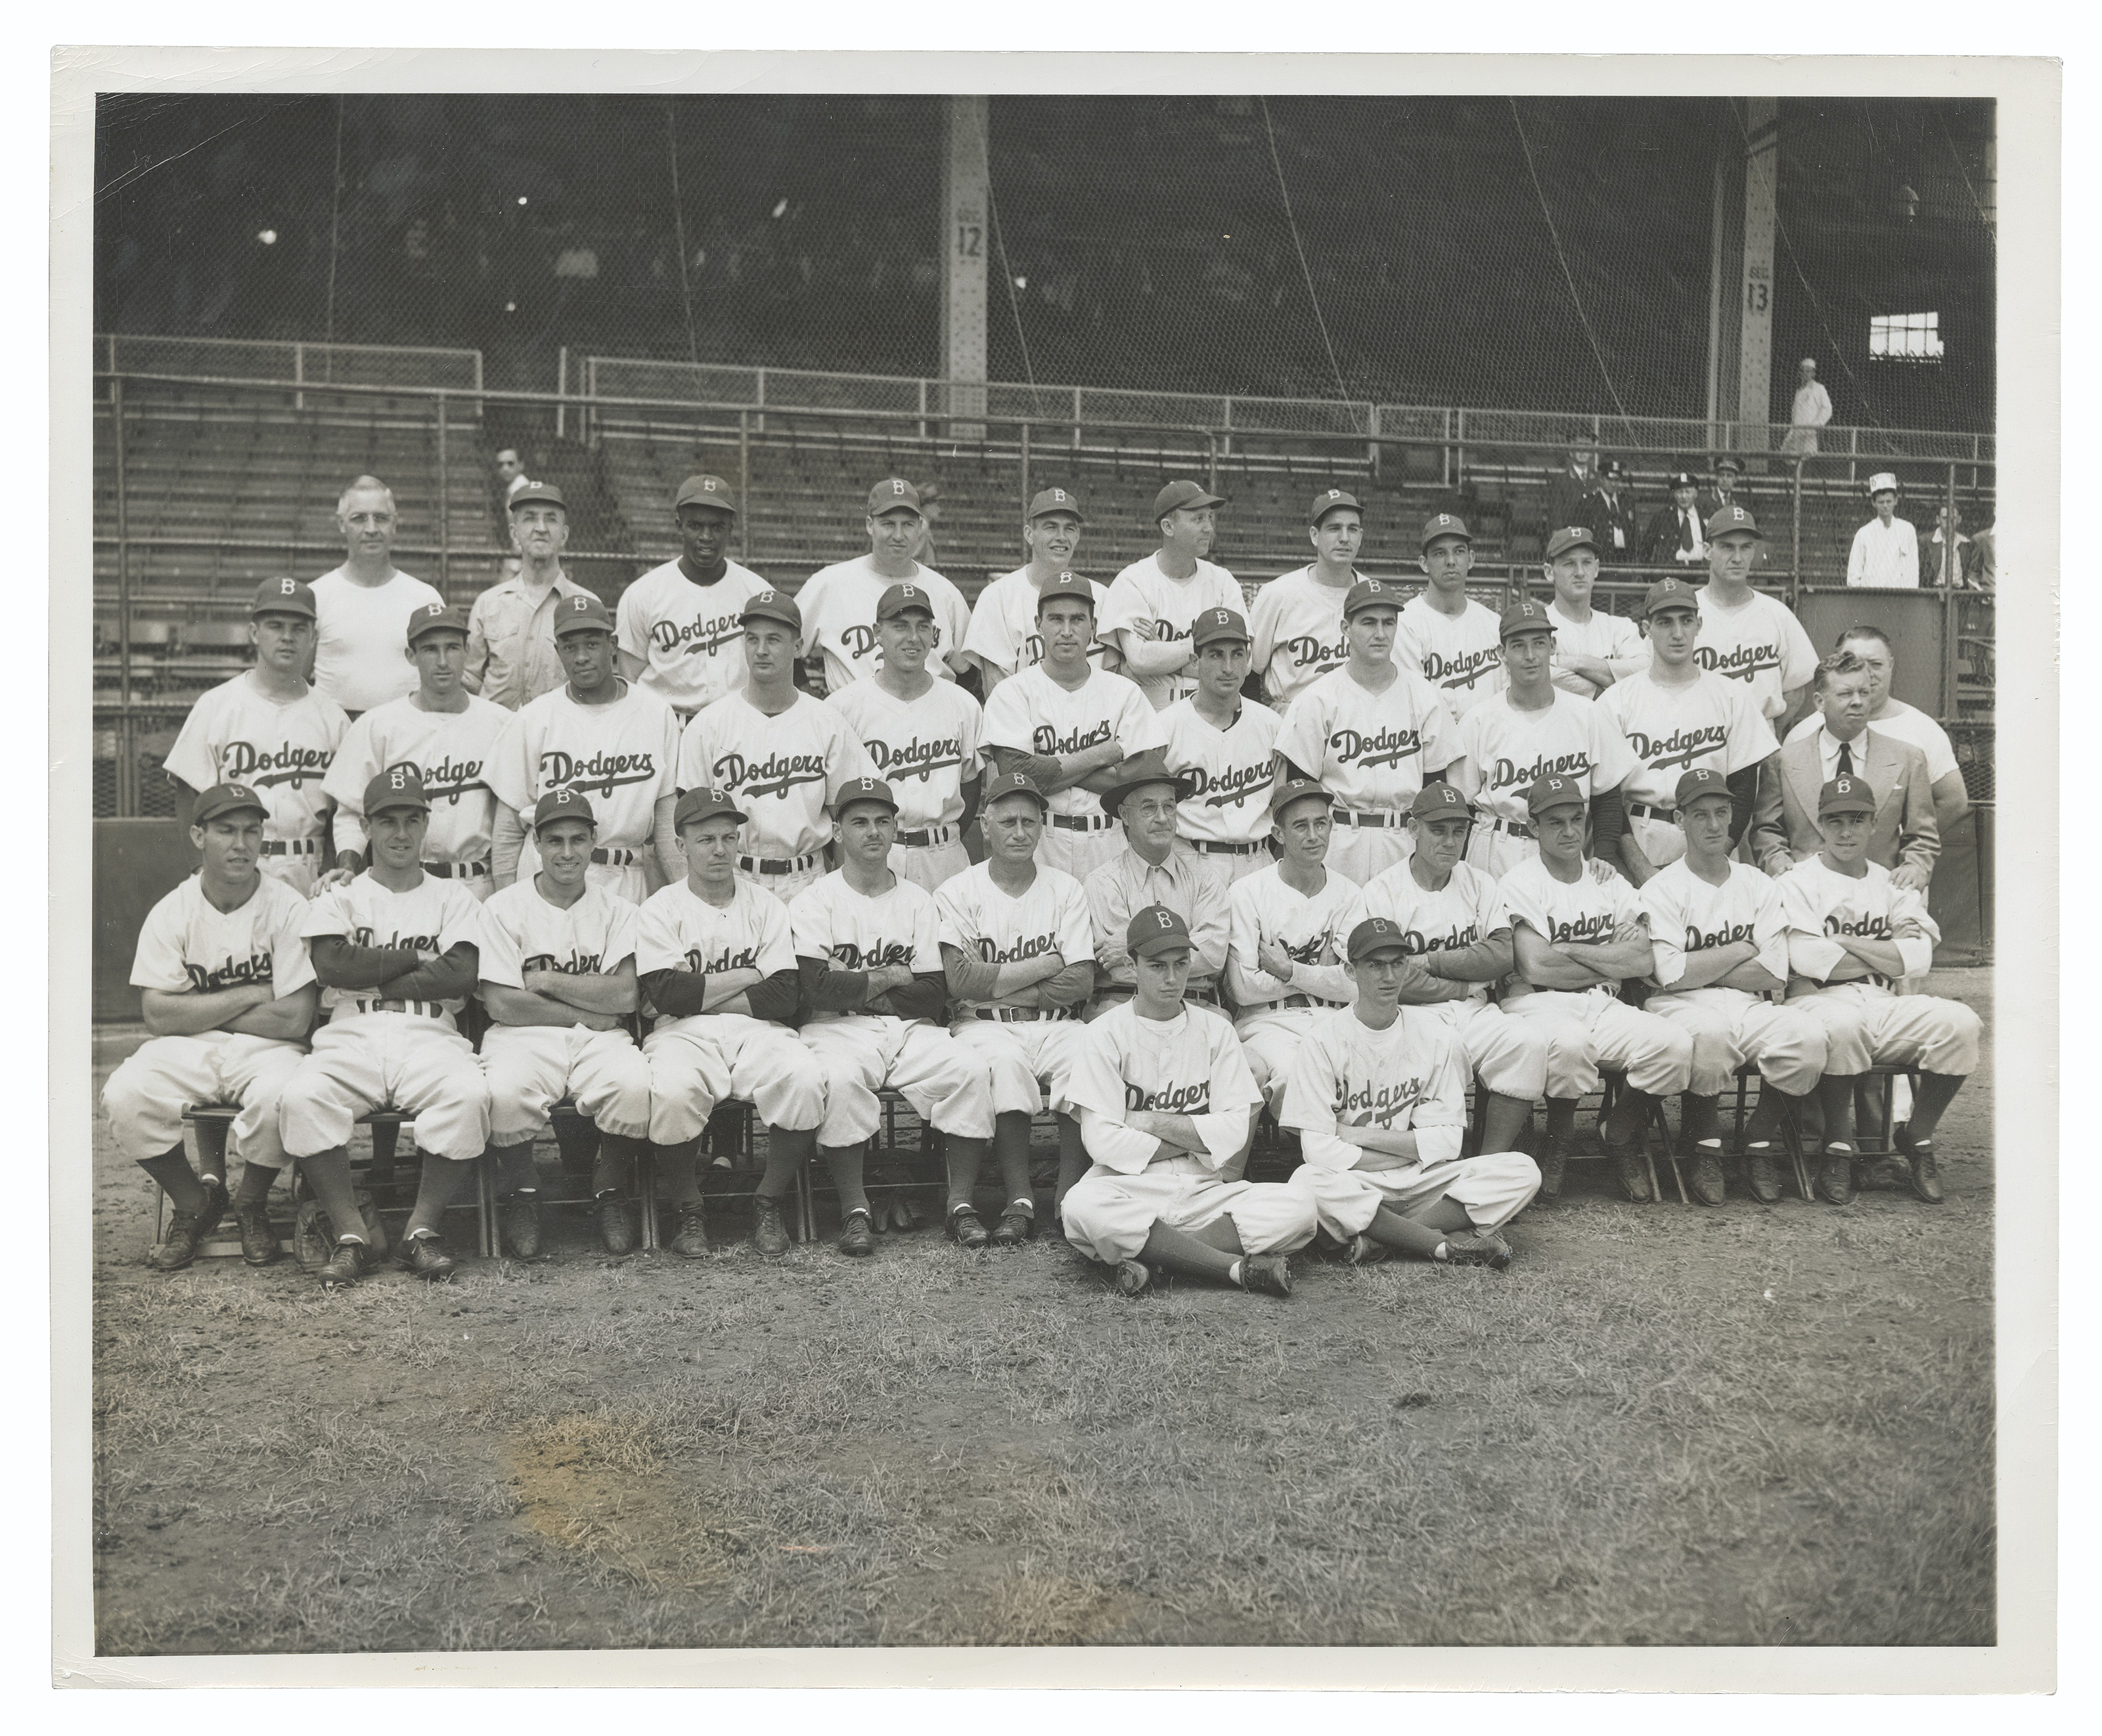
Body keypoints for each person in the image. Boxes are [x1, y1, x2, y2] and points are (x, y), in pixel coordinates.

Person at [277, 768, 494, 1285]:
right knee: (302, 1098)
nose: (400, 833)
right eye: (387, 821)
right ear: (366, 827)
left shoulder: (454, 896)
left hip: (430, 1033)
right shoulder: (341, 896)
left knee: (469, 1095)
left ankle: (421, 1231)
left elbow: (460, 974)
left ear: (426, 826)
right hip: (353, 1032)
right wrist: (418, 957)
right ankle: (353, 1235)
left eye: (411, 820)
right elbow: (333, 965)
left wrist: (369, 968)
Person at [102, 782, 320, 1271]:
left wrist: (196, 1004)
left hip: (267, 1048)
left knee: (288, 1094)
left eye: (251, 831)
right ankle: (193, 1201)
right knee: (125, 1095)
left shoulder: (288, 907)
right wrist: (250, 993)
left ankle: (251, 1202)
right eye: (226, 830)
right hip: (188, 1046)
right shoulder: (172, 910)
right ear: (199, 836)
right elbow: (158, 1015)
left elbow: (294, 1017)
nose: (241, 844)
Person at [1059, 906, 1316, 1298]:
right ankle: (1231, 1268)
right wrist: (1200, 1140)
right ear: (1131, 966)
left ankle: (1158, 1257)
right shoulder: (1103, 1034)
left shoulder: (1217, 1030)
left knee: (1300, 1205)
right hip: (1128, 1188)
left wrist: (1149, 1122)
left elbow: (1234, 1133)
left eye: (1181, 964)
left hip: (1205, 1191)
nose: (1172, 978)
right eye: (1157, 966)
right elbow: (1103, 1143)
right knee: (1081, 1205)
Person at [789, 778, 996, 1256]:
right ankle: (854, 1209)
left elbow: (932, 994)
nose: (873, 832)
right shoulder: (815, 899)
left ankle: (961, 1204)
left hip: (909, 1030)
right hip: (834, 1028)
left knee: (970, 1069)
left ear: (895, 830)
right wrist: (894, 976)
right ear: (837, 831)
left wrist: (856, 984)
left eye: (883, 821)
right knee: (841, 1079)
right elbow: (815, 988)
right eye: (859, 822)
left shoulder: (918, 900)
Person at [634, 785, 828, 1260]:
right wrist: (749, 974)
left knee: (804, 1077)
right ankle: (689, 1208)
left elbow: (784, 995)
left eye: (728, 837)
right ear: (681, 845)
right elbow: (666, 994)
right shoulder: (660, 908)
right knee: (672, 1090)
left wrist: (697, 993)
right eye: (706, 839)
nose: (719, 849)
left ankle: (768, 1200)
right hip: (680, 1034)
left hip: (758, 1032)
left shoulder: (766, 905)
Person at [1282, 916, 1541, 1268]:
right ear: (1350, 971)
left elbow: (1448, 1143)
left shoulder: (1436, 1035)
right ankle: (1439, 1243)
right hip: (1356, 1182)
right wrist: (1414, 1150)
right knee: (1307, 1181)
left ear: (1407, 967)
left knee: (1522, 1170)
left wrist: (1356, 1135)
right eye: (1375, 965)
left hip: (1422, 1182)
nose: (1389, 976)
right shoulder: (1321, 1042)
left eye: (1397, 963)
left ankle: (1382, 1239)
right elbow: (1317, 1151)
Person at [1777, 774, 1981, 1205]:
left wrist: (1843, 941)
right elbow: (1810, 960)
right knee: (1845, 1023)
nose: (1846, 832)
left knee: (1961, 1024)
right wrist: (1888, 949)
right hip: (1817, 1000)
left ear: (1874, 823)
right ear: (1820, 824)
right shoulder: (1796, 881)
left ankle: (1917, 1136)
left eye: (1857, 820)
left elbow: (1919, 956)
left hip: (1884, 1002)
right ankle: (1838, 1145)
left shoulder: (1892, 882)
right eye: (1835, 821)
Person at [1497, 773, 1695, 1203]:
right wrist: (1607, 955)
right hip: (1538, 1005)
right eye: (1556, 822)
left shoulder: (1608, 879)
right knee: (1570, 1043)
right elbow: (1536, 965)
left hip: (1602, 1005)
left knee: (1675, 1046)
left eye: (1576, 819)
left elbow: (1642, 959)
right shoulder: (1519, 881)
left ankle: (1617, 1132)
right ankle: (1561, 1135)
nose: (1570, 831)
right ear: (1533, 827)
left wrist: (1568, 948)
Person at [475, 789, 654, 1258]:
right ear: (536, 843)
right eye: (555, 840)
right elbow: (502, 1004)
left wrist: (547, 980)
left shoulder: (620, 910)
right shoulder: (502, 908)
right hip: (523, 1036)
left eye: (578, 839)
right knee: (504, 1093)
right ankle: (524, 1191)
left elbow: (625, 995)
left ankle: (609, 1188)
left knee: (634, 1086)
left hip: (600, 1038)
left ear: (594, 841)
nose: (568, 852)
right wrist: (585, 1010)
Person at [1638, 768, 1827, 1206]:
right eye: (1700, 815)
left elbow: (1774, 972)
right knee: (1711, 1032)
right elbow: (1672, 975)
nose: (1714, 824)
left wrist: (1704, 964)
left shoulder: (1758, 883)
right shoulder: (1660, 888)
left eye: (1721, 812)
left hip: (1749, 1004)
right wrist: (1742, 949)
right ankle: (1705, 1145)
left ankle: (1757, 1139)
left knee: (1809, 1037)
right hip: (1680, 1006)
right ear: (1679, 819)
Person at [1344, 784, 1550, 1167]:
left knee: (1527, 1043)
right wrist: (1464, 983)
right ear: (1413, 829)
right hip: (1412, 1015)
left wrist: (1430, 961)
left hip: (1475, 1011)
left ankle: (1486, 1167)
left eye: (1459, 831)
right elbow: (1391, 977)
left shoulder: (1479, 883)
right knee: (1446, 1048)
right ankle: (1437, 1165)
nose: (1450, 841)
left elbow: (1501, 954)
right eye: (1438, 830)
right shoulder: (1383, 891)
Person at [932, 772, 1099, 1239]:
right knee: (1005, 1064)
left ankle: (1068, 1196)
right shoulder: (957, 891)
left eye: (1030, 821)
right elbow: (960, 981)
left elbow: (1081, 980)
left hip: (1057, 1023)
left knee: (1087, 1053)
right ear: (985, 826)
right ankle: (1020, 1197)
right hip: (983, 1025)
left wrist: (998, 982)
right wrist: (1047, 963)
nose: (1020, 832)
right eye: (1008, 822)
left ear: (1042, 826)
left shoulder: (1066, 888)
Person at [678, 590, 877, 902]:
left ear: (797, 647)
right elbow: (690, 823)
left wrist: (844, 895)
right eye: (752, 639)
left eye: (773, 640)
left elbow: (848, 816)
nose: (761, 650)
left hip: (807, 881)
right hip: (733, 879)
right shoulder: (709, 724)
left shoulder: (827, 722)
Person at [487, 594, 683, 904]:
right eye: (570, 647)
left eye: (592, 644)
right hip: (546, 881)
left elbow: (666, 823)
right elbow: (507, 832)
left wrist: (685, 898)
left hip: (626, 878)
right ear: (557, 651)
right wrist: (509, 904)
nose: (581, 657)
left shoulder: (656, 713)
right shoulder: (532, 718)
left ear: (613, 645)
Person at [163, 577, 347, 896]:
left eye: (299, 628)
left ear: (313, 638)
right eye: (275, 626)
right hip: (237, 864)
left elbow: (344, 808)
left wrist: (331, 866)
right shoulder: (217, 705)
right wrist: (199, 869)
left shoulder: (333, 717)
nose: (287, 637)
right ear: (253, 633)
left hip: (309, 864)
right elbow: (188, 791)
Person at [1274, 577, 1460, 886]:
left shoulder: (1425, 696)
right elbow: (1299, 790)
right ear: (1345, 628)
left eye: (1389, 622)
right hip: (1337, 839)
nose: (1380, 633)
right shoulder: (1318, 698)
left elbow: (1436, 790)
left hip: (1405, 839)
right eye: (1368, 622)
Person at [980, 575, 1166, 882]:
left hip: (1108, 839)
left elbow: (1139, 785)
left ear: (1093, 626)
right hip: (1041, 841)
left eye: (1077, 619)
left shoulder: (1125, 693)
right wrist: (1103, 754)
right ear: (1039, 624)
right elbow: (1017, 774)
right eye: (1056, 619)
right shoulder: (1012, 692)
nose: (1066, 631)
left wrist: (1044, 767)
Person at [321, 602, 508, 901]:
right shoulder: (378, 725)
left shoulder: (501, 724)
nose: (443, 661)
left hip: (478, 884)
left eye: (452, 648)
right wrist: (347, 866)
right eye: (430, 649)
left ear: (467, 650)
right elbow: (351, 813)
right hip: (401, 885)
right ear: (411, 656)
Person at [1597, 577, 1778, 885]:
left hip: (1712, 836)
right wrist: (1641, 869)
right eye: (1665, 622)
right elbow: (1608, 797)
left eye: (1686, 620)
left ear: (1699, 624)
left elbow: (1744, 789)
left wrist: (1714, 859)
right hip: (1641, 835)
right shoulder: (1617, 701)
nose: (1678, 633)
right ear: (1646, 628)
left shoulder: (1731, 696)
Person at [1450, 597, 1636, 879]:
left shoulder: (1587, 714)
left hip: (1568, 852)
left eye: (1539, 643)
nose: (1530, 655)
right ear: (1502, 653)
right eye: (1518, 645)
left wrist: (1605, 854)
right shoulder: (1478, 720)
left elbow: (1607, 796)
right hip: (1498, 849)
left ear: (1553, 646)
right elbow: (1460, 806)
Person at [824, 583, 985, 893]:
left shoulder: (963, 704)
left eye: (922, 626)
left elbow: (970, 787)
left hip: (945, 855)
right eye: (900, 626)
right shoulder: (843, 708)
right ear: (877, 633)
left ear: (933, 634)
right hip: (877, 855)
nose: (913, 637)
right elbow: (835, 802)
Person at [1224, 780, 1362, 1131]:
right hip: (1269, 1022)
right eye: (1301, 826)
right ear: (1279, 834)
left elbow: (1356, 987)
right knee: (1294, 1074)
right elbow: (1243, 989)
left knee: (1364, 1072)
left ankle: (1338, 1150)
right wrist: (1322, 974)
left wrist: (1288, 970)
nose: (1313, 835)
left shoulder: (1350, 894)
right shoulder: (1247, 892)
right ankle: (1332, 1151)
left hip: (1334, 1018)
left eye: (1321, 823)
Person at [1752, 651, 1939, 887]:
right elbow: (1766, 829)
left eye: (1864, 692)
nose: (1858, 702)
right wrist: (1779, 864)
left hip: (1879, 894)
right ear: (1820, 702)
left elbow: (1922, 836)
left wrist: (1915, 867)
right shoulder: (1784, 761)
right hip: (1805, 893)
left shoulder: (1908, 759)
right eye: (1846, 694)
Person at [1786, 623, 1971, 845]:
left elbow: (1953, 801)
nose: (1866, 674)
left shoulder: (1922, 729)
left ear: (1891, 665)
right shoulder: (1804, 734)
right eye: (1854, 663)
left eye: (1875, 664)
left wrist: (1902, 849)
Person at [1083, 750, 1232, 1016]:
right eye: (1149, 807)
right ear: (1125, 815)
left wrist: (1137, 948)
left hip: (1195, 1007)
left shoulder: (1205, 878)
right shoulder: (1103, 882)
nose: (1162, 818)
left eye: (1169, 806)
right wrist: (1184, 950)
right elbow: (1118, 969)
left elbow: (1214, 955)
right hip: (1123, 1007)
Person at [616, 474, 771, 723]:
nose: (706, 536)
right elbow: (630, 680)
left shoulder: (757, 592)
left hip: (739, 725)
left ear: (731, 528)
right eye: (695, 526)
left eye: (717, 527)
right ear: (679, 526)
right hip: (669, 726)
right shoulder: (643, 594)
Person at [797, 479, 972, 696]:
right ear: (870, 525)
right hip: (852, 713)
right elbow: (785, 647)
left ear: (920, 526)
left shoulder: (947, 593)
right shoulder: (829, 584)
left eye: (908, 525)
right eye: (888, 524)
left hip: (929, 711)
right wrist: (808, 703)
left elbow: (969, 670)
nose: (898, 536)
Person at [1159, 607, 1282, 904]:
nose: (1228, 667)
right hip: (1191, 861)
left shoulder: (1271, 725)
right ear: (1195, 661)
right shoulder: (1166, 726)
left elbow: (1283, 805)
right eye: (1216, 655)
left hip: (1258, 861)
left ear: (1248, 659)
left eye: (1237, 655)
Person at [307, 476, 445, 717]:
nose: (371, 529)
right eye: (359, 518)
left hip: (406, 727)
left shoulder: (424, 598)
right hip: (336, 728)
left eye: (381, 518)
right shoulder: (316, 596)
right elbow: (295, 679)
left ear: (395, 524)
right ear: (341, 524)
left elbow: (441, 675)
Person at [1101, 479, 1243, 711]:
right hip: (1150, 710)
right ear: (1168, 527)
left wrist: (1162, 650)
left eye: (1209, 518)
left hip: (1210, 710)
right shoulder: (1133, 581)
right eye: (1198, 519)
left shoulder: (1223, 582)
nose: (1209, 528)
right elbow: (1140, 660)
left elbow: (1243, 663)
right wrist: (1208, 648)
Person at [962, 487, 1114, 692]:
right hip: (1025, 710)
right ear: (1029, 534)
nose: (1061, 537)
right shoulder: (998, 597)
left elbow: (1114, 680)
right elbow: (998, 691)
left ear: (1077, 536)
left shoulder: (1102, 597)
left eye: (1069, 529)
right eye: (1051, 527)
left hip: (1092, 710)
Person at [464, 481, 594, 711]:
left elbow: (595, 684)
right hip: (498, 727)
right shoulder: (488, 603)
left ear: (564, 535)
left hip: (557, 728)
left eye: (551, 519)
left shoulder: (587, 605)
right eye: (530, 518)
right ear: (514, 533)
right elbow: (470, 679)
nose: (541, 528)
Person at [1689, 502, 1820, 729]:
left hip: (1761, 736)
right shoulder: (1686, 613)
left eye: (1746, 547)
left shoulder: (1777, 613)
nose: (1738, 557)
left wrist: (1763, 737)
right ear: (1707, 551)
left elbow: (1796, 691)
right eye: (1727, 547)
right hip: (1698, 737)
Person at [1247, 488, 1366, 711]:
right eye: (1334, 528)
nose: (1344, 538)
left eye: (1352, 529)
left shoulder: (1372, 595)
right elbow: (1248, 672)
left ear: (1360, 536)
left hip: (1359, 719)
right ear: (1314, 535)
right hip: (1293, 717)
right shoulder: (1278, 594)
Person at [1397, 512, 1503, 717]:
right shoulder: (1407, 624)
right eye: (1440, 553)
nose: (1451, 561)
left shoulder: (1492, 623)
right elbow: (1412, 704)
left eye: (1459, 551)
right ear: (1424, 563)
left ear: (1471, 559)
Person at [1540, 526, 1647, 700]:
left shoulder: (1620, 627)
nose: (1580, 572)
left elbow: (1644, 672)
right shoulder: (1538, 625)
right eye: (1569, 564)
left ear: (1596, 568)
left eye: (1587, 563)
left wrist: (1578, 662)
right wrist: (1603, 694)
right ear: (1549, 572)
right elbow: (1542, 674)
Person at [1846, 474, 1921, 590]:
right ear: (1874, 503)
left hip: (1899, 595)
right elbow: (1854, 573)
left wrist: (1909, 595)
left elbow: (1913, 569)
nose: (1885, 506)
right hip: (1871, 595)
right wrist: (1861, 596)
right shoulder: (1864, 533)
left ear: (1896, 501)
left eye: (1889, 501)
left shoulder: (1907, 530)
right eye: (1881, 502)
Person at [1640, 470, 1709, 568]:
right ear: (1675, 495)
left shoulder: (1706, 516)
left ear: (1696, 494)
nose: (1684, 496)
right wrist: (1650, 573)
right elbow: (1645, 548)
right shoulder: (1662, 517)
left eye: (1688, 492)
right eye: (1680, 492)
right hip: (1671, 571)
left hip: (1700, 570)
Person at [1576, 458, 1637, 564]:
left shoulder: (1627, 501)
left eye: (1617, 480)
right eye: (1610, 480)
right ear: (1601, 479)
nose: (1613, 484)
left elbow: (1633, 532)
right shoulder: (1590, 502)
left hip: (1625, 558)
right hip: (1601, 558)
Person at [1542, 446, 1595, 542]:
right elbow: (1556, 508)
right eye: (1579, 449)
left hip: (1593, 533)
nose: (1582, 453)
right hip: (1569, 532)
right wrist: (1557, 531)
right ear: (1571, 453)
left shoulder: (1597, 478)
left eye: (1586, 449)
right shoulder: (1561, 479)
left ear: (1591, 454)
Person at [1783, 358, 1833, 458]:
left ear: (1814, 373)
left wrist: (1816, 425)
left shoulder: (1818, 388)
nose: (1805, 374)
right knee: (1790, 458)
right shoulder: (1799, 391)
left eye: (1808, 371)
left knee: (1807, 458)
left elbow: (1827, 409)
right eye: (1803, 371)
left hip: (1810, 433)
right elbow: (1795, 413)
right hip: (1797, 431)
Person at [1923, 504, 1974, 589]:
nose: (1949, 522)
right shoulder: (1926, 541)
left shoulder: (1966, 542)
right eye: (1945, 518)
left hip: (1960, 592)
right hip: (1934, 592)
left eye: (1953, 518)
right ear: (1938, 519)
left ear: (1959, 519)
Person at [1697, 455, 1748, 525]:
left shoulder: (1737, 503)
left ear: (1736, 479)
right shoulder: (1704, 500)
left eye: (1729, 476)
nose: (1725, 480)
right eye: (1722, 475)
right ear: (1717, 477)